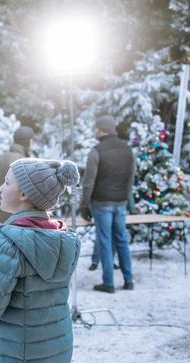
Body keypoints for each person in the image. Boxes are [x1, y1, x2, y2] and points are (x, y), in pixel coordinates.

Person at [0, 158, 81, 363]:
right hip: (56, 351)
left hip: (14, 356)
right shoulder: (66, 240)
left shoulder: (9, 243)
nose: (1, 188)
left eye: (7, 182)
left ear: (24, 194)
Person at [79, 115, 135, 293]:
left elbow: (88, 182)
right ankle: (128, 280)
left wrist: (84, 205)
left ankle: (108, 283)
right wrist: (125, 199)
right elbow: (131, 178)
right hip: (120, 202)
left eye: (96, 128)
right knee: (122, 241)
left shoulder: (96, 151)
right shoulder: (127, 149)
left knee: (105, 241)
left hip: (101, 202)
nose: (94, 131)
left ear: (101, 129)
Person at [0, 126, 35, 223]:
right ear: (29, 142)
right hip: (15, 216)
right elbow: (27, 191)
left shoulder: (0, 158)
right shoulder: (23, 162)